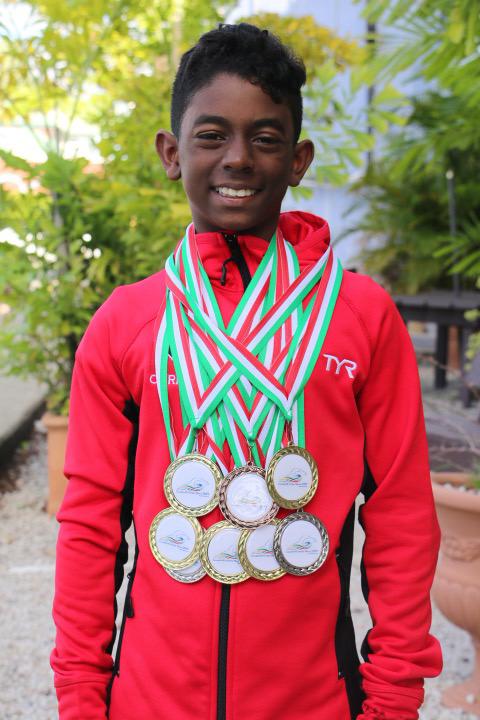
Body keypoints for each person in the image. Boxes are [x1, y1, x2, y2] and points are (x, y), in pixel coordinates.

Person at [51, 22, 443, 720]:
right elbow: (88, 530)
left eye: (265, 138)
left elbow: (403, 520)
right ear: (172, 153)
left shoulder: (359, 316)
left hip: (317, 702)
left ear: (297, 160)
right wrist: (83, 701)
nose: (238, 158)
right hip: (150, 702)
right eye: (212, 136)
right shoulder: (126, 323)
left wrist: (392, 703)